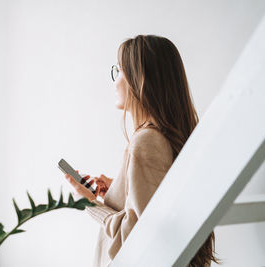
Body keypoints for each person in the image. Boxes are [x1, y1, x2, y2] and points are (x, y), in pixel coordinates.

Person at [63, 34, 221, 267]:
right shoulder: (167, 137)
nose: (115, 81)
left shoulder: (146, 141)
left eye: (119, 70)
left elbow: (137, 237)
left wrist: (90, 204)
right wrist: (117, 190)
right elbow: (154, 213)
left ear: (141, 79)